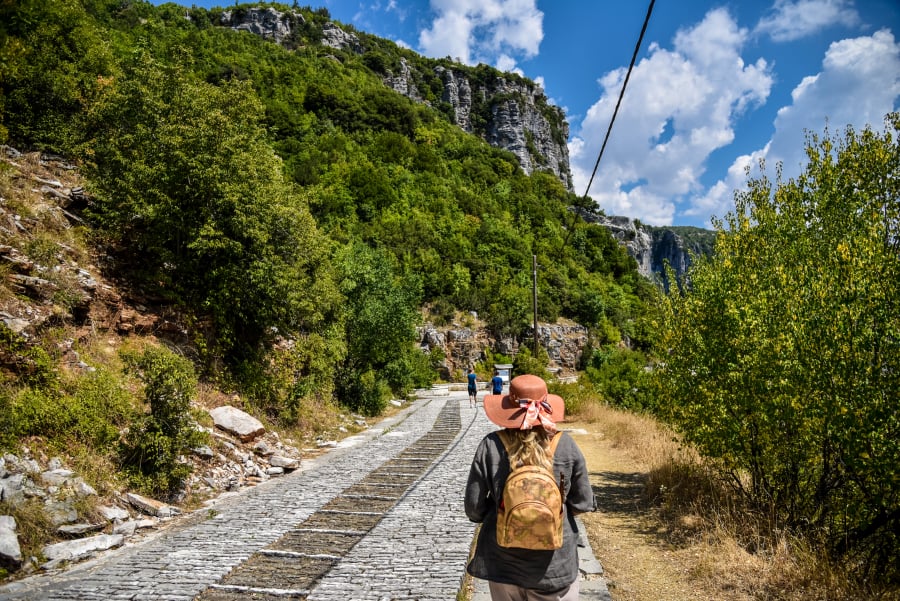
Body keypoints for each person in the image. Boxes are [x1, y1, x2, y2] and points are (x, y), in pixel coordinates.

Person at [464, 374, 595, 601]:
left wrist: (505, 514)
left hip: (503, 566)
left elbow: (473, 509)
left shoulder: (490, 445)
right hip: (554, 567)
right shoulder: (565, 445)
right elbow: (583, 502)